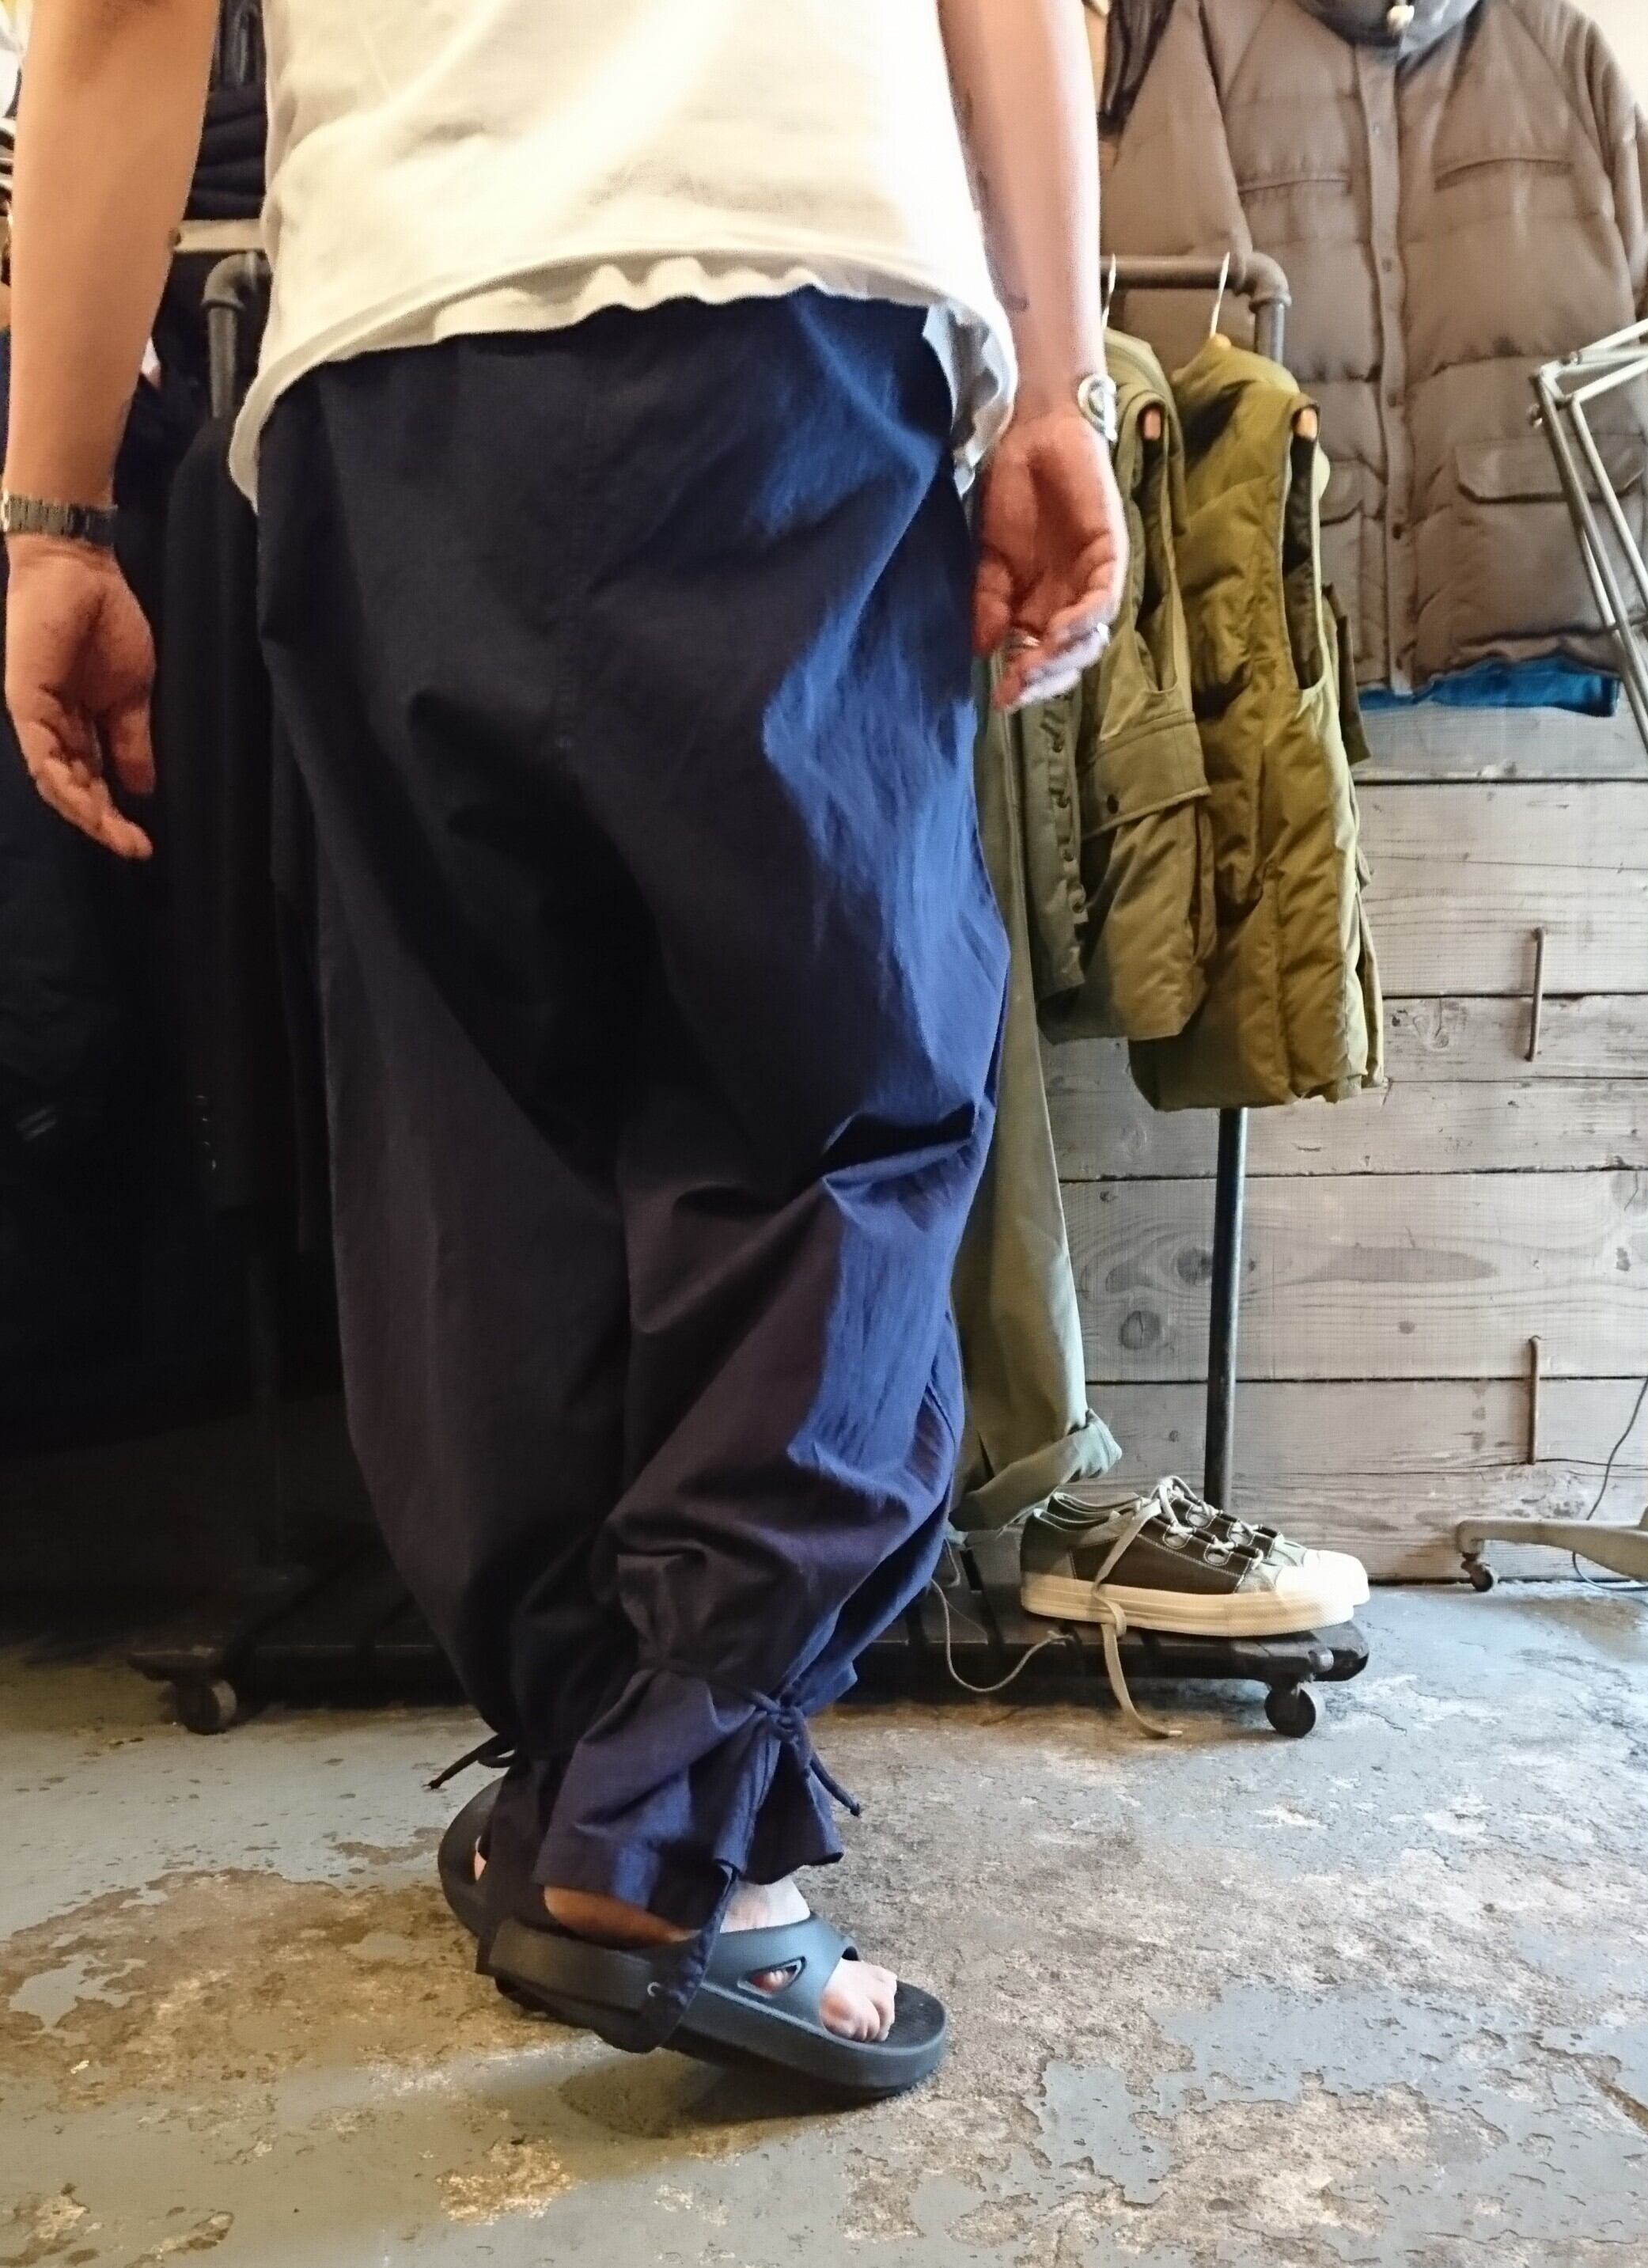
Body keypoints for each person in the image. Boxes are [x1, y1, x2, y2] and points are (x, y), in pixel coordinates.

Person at [4, 0, 1125, 2097]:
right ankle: (678, 1838)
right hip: (785, 310)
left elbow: (119, 18)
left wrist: (58, 516)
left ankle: (590, 1781)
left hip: (388, 369)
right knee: (832, 1097)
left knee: (480, 1130)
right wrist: (1057, 382)